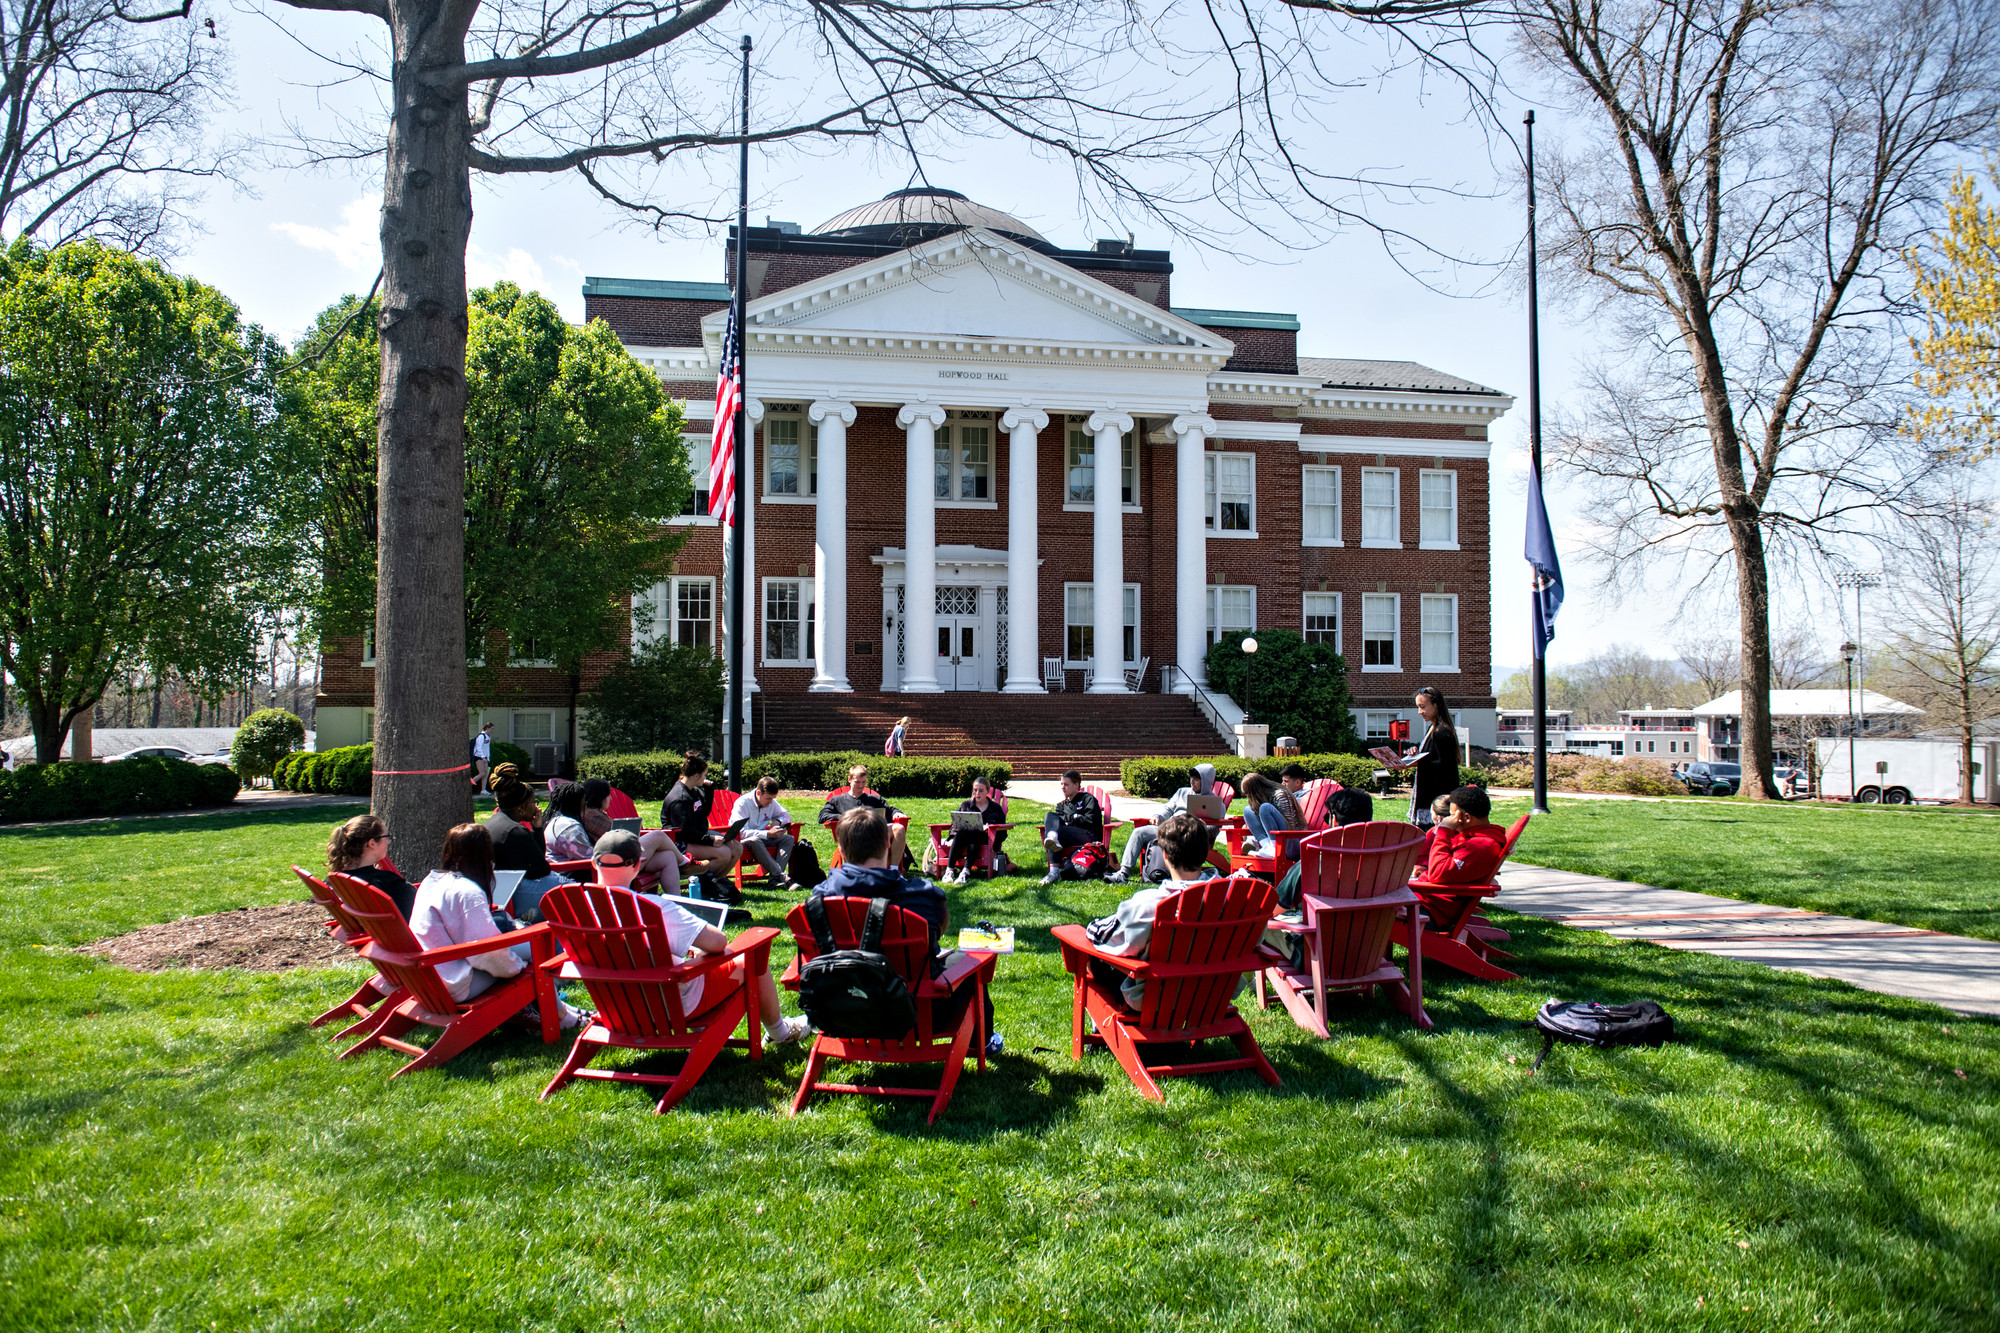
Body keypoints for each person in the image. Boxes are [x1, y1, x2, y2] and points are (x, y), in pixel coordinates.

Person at [589, 830, 809, 1044]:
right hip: (673, 1006)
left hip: (618, 1007)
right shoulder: (653, 909)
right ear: (638, 865)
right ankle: (780, 1032)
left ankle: (711, 1031)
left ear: (593, 863)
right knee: (753, 956)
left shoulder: (575, 911)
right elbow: (718, 942)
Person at [814, 807, 999, 1055]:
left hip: (841, 1010)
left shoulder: (820, 900)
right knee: (970, 962)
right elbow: (939, 930)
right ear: (888, 845)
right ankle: (983, 1042)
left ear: (842, 850)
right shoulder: (922, 896)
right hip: (917, 1015)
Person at [410, 823, 587, 1027]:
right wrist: (516, 966)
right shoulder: (466, 892)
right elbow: (485, 952)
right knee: (535, 949)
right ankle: (562, 1017)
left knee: (529, 946)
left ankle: (560, 1010)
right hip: (454, 982)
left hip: (431, 977)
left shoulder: (432, 881)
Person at [1084, 812, 1217, 1009]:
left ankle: (1101, 1034)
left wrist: (1091, 926)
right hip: (1210, 993)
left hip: (1156, 996)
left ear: (1164, 856)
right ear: (1206, 851)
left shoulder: (1151, 904)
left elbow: (1110, 938)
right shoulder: (1230, 898)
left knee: (1093, 961)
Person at [481, 764, 574, 922]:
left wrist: (537, 828)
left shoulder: (494, 823)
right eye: (533, 802)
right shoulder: (514, 831)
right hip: (513, 896)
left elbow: (537, 861)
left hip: (497, 892)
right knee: (574, 896)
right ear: (521, 808)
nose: (536, 807)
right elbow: (541, 869)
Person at [1109, 763, 1218, 886]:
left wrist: (1197, 828)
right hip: (1168, 830)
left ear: (1206, 781)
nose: (1192, 782)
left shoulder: (1215, 803)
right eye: (1191, 778)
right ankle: (1123, 873)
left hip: (1189, 838)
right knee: (1139, 832)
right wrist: (1158, 816)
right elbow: (1167, 809)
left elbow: (1214, 828)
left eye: (1197, 779)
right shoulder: (1182, 792)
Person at [660, 751, 741, 902]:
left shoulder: (694, 791)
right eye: (704, 775)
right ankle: (706, 885)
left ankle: (719, 884)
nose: (705, 778)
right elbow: (685, 832)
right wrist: (709, 840)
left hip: (696, 835)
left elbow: (704, 812)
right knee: (723, 853)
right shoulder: (680, 798)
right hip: (680, 843)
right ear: (696, 776)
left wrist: (709, 791)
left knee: (736, 847)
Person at [325, 813, 417, 920]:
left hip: (366, 929)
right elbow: (413, 915)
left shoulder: (336, 879)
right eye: (387, 837)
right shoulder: (388, 882)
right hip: (396, 933)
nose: (388, 842)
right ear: (372, 843)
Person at [816, 763, 909, 867]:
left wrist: (897, 813)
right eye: (857, 782)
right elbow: (822, 816)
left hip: (876, 834)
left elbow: (890, 810)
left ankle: (894, 870)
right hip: (853, 836)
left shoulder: (874, 800)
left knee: (899, 828)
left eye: (863, 782)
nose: (861, 786)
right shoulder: (837, 801)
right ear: (849, 779)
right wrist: (846, 817)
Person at [1391, 686, 1460, 827]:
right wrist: (1416, 754)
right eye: (1418, 707)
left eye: (1423, 707)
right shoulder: (1433, 728)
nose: (1419, 712)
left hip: (1436, 799)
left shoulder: (1441, 732)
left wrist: (1416, 762)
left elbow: (1445, 765)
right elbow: (1431, 756)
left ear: (1436, 705)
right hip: (1431, 796)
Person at [1419, 785, 1508, 885]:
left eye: (1452, 815)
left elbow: (1438, 874)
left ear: (1467, 817)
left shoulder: (1481, 845)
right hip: (1425, 887)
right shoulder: (1474, 836)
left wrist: (1444, 831)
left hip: (1430, 897)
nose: (1448, 819)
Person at [731, 776, 798, 892]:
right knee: (755, 840)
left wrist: (778, 822)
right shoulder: (742, 804)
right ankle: (782, 876)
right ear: (758, 793)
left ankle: (774, 880)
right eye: (768, 799)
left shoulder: (771, 802)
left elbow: (785, 816)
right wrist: (767, 834)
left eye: (773, 799)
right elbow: (741, 832)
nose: (771, 802)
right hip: (741, 842)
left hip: (763, 838)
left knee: (788, 839)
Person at [1039, 770, 1105, 885]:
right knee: (1050, 816)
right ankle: (1052, 838)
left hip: (1089, 835)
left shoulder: (1087, 799)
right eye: (1061, 784)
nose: (1063, 787)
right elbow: (1059, 820)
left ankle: (1054, 872)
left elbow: (1091, 820)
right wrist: (1074, 818)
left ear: (1076, 785)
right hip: (1068, 834)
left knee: (1056, 832)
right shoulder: (1062, 805)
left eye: (1066, 784)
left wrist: (1072, 819)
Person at [939, 775, 1008, 885]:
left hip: (986, 839)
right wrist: (952, 837)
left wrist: (989, 829)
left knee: (975, 831)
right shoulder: (966, 805)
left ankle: (965, 872)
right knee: (964, 831)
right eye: (975, 790)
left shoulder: (995, 808)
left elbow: (1003, 832)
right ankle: (949, 871)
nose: (977, 793)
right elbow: (955, 825)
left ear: (987, 791)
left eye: (981, 790)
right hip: (963, 838)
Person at [1239, 771, 1303, 856]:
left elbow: (1291, 826)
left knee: (1265, 807)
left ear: (1256, 791)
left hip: (1292, 841)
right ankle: (1267, 847)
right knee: (1248, 810)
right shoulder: (1265, 797)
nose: (1249, 798)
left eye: (1249, 794)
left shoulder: (1280, 795)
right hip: (1277, 840)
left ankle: (1273, 848)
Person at [542, 781, 595, 862]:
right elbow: (589, 857)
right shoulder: (569, 827)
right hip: (568, 872)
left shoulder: (555, 821)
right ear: (577, 804)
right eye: (584, 802)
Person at [579, 777, 615, 844]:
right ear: (601, 797)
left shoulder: (585, 811)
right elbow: (617, 835)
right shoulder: (593, 816)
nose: (610, 798)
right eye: (608, 795)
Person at [471, 722, 495, 793]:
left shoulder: (488, 736)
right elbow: (479, 747)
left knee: (485, 774)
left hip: (485, 758)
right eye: (491, 729)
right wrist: (482, 757)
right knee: (482, 773)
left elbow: (487, 749)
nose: (492, 730)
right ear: (487, 728)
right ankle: (469, 783)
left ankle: (483, 790)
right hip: (479, 757)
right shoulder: (481, 736)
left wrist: (487, 758)